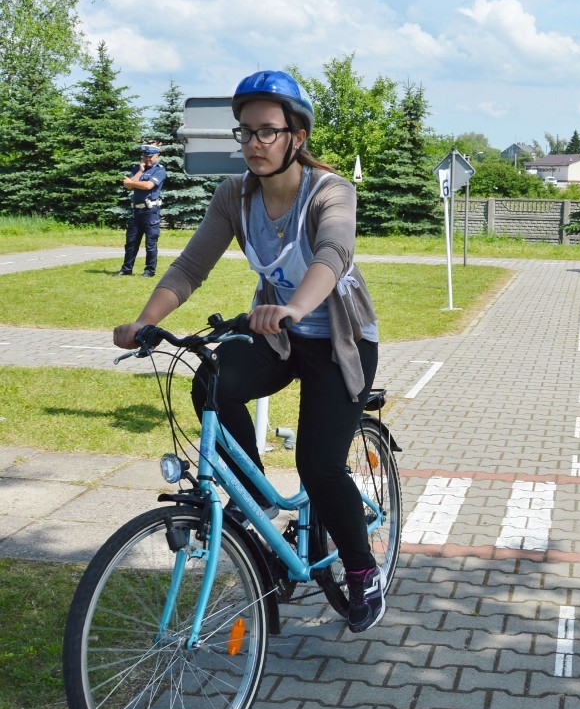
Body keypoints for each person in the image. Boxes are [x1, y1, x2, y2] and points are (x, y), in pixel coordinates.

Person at [112, 71, 384, 633]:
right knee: (211, 380)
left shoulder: (331, 191)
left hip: (339, 340)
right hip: (279, 336)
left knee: (318, 462)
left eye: (268, 131)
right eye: (246, 132)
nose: (254, 143)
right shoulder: (235, 195)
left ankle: (362, 569)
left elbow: (332, 254)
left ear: (297, 137)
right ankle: (255, 506)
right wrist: (145, 321)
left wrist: (293, 307)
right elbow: (191, 266)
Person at [115, 145, 167, 277]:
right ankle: (127, 268)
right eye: (145, 156)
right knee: (131, 242)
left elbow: (148, 185)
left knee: (150, 243)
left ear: (157, 156)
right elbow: (127, 185)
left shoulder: (159, 170)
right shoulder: (138, 169)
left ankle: (149, 271)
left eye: (150, 156)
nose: (148, 159)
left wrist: (132, 183)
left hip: (150, 211)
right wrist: (140, 171)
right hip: (136, 211)